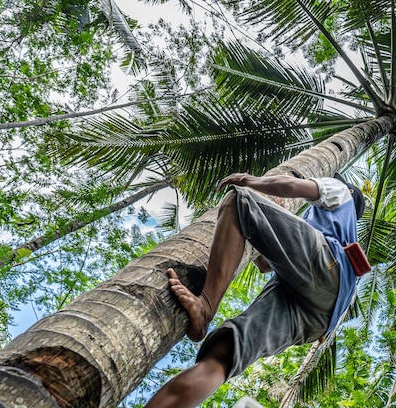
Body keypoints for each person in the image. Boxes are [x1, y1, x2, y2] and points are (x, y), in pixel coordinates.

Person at [144, 172, 365, 408]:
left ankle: (206, 306)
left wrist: (251, 182)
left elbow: (291, 185)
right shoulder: (339, 228)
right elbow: (265, 264)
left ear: (350, 191)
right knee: (223, 355)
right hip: (319, 319)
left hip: (327, 268)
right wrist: (265, 226)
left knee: (238, 201)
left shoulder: (341, 192)